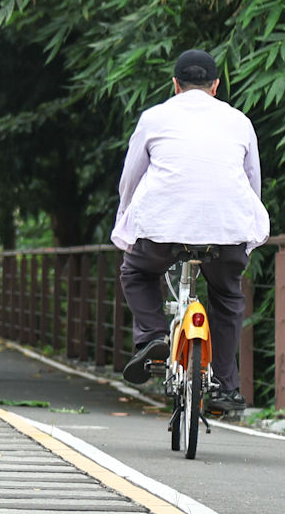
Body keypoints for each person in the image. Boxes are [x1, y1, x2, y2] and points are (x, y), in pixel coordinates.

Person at [112, 48, 269, 416]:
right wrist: (246, 226)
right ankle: (227, 388)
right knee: (228, 296)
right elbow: (252, 183)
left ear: (175, 85)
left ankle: (152, 337)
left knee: (135, 271)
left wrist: (126, 219)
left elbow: (130, 179)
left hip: (163, 232)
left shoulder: (154, 117)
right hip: (226, 233)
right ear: (216, 86)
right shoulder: (239, 121)